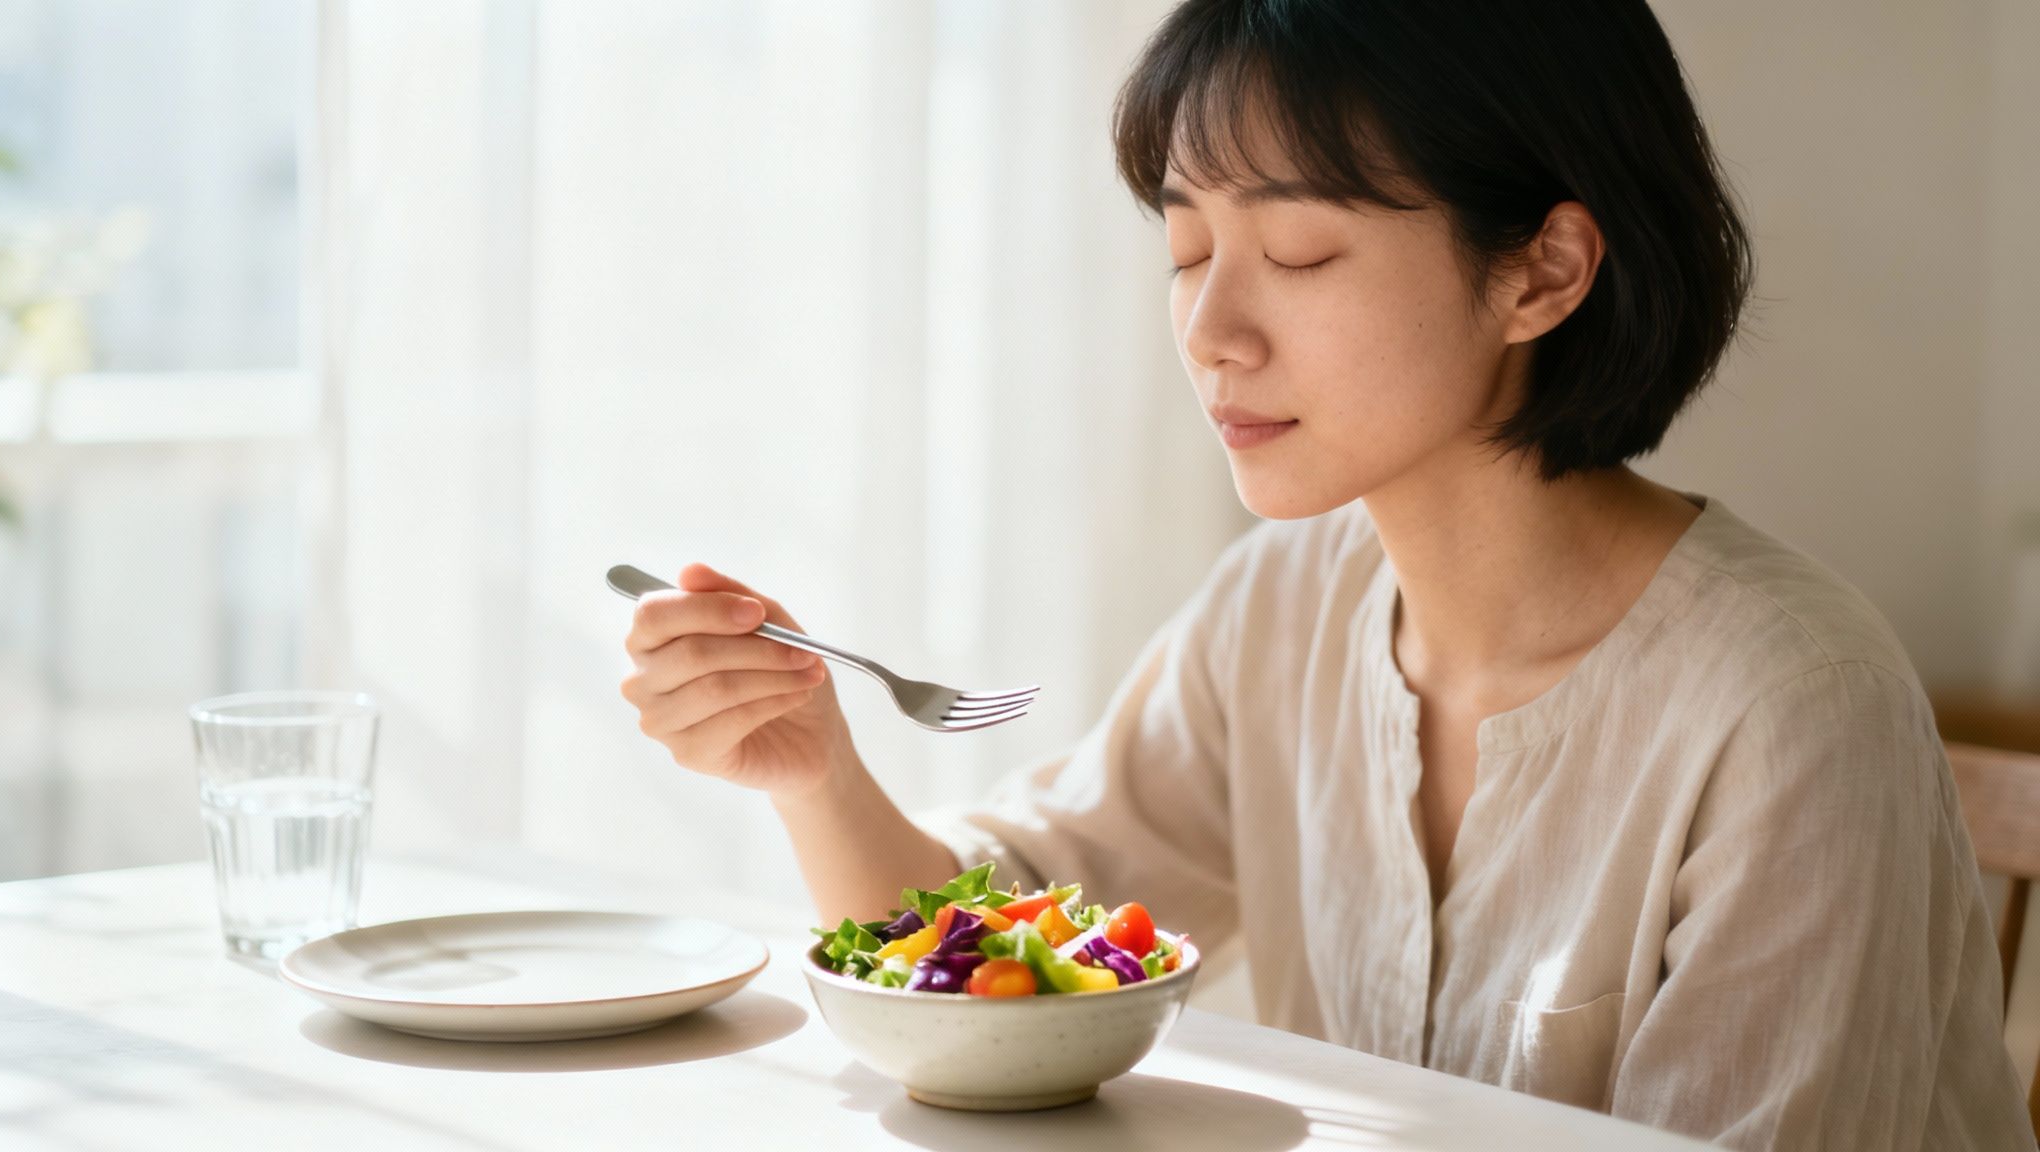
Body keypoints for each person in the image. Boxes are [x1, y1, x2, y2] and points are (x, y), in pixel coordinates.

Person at [619, 1, 2032, 1147]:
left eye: (1297, 249)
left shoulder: (1791, 708)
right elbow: (993, 957)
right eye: (1187, 247)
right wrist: (815, 769)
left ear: (1542, 272)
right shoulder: (1278, 610)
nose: (1213, 328)